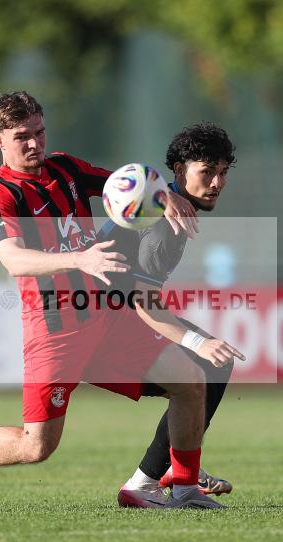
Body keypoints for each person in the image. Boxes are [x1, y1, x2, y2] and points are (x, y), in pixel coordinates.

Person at [0, 91, 226, 510]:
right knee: (37, 446)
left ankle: (180, 489)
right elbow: (12, 258)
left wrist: (169, 196)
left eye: (39, 131)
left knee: (191, 379)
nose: (35, 143)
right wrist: (80, 258)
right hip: (54, 330)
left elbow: (131, 186)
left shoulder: (65, 168)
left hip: (104, 319)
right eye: (22, 136)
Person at [103, 122, 243, 509]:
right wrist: (197, 340)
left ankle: (181, 471)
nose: (216, 182)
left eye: (223, 172)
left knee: (210, 367)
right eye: (207, 172)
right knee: (201, 366)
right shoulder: (163, 224)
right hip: (97, 331)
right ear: (180, 171)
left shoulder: (161, 203)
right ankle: (150, 482)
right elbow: (144, 302)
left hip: (109, 319)